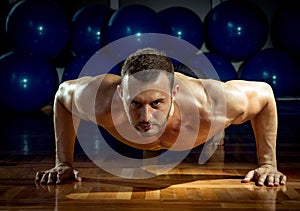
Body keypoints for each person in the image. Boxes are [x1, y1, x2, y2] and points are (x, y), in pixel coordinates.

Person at [35, 48, 287, 187]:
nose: (145, 117)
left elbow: (265, 94)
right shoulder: (100, 101)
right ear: (121, 93)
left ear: (173, 93)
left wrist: (268, 164)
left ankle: (218, 132)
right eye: (135, 104)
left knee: (217, 122)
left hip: (194, 108)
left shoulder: (210, 106)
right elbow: (61, 96)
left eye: (156, 103)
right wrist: (64, 163)